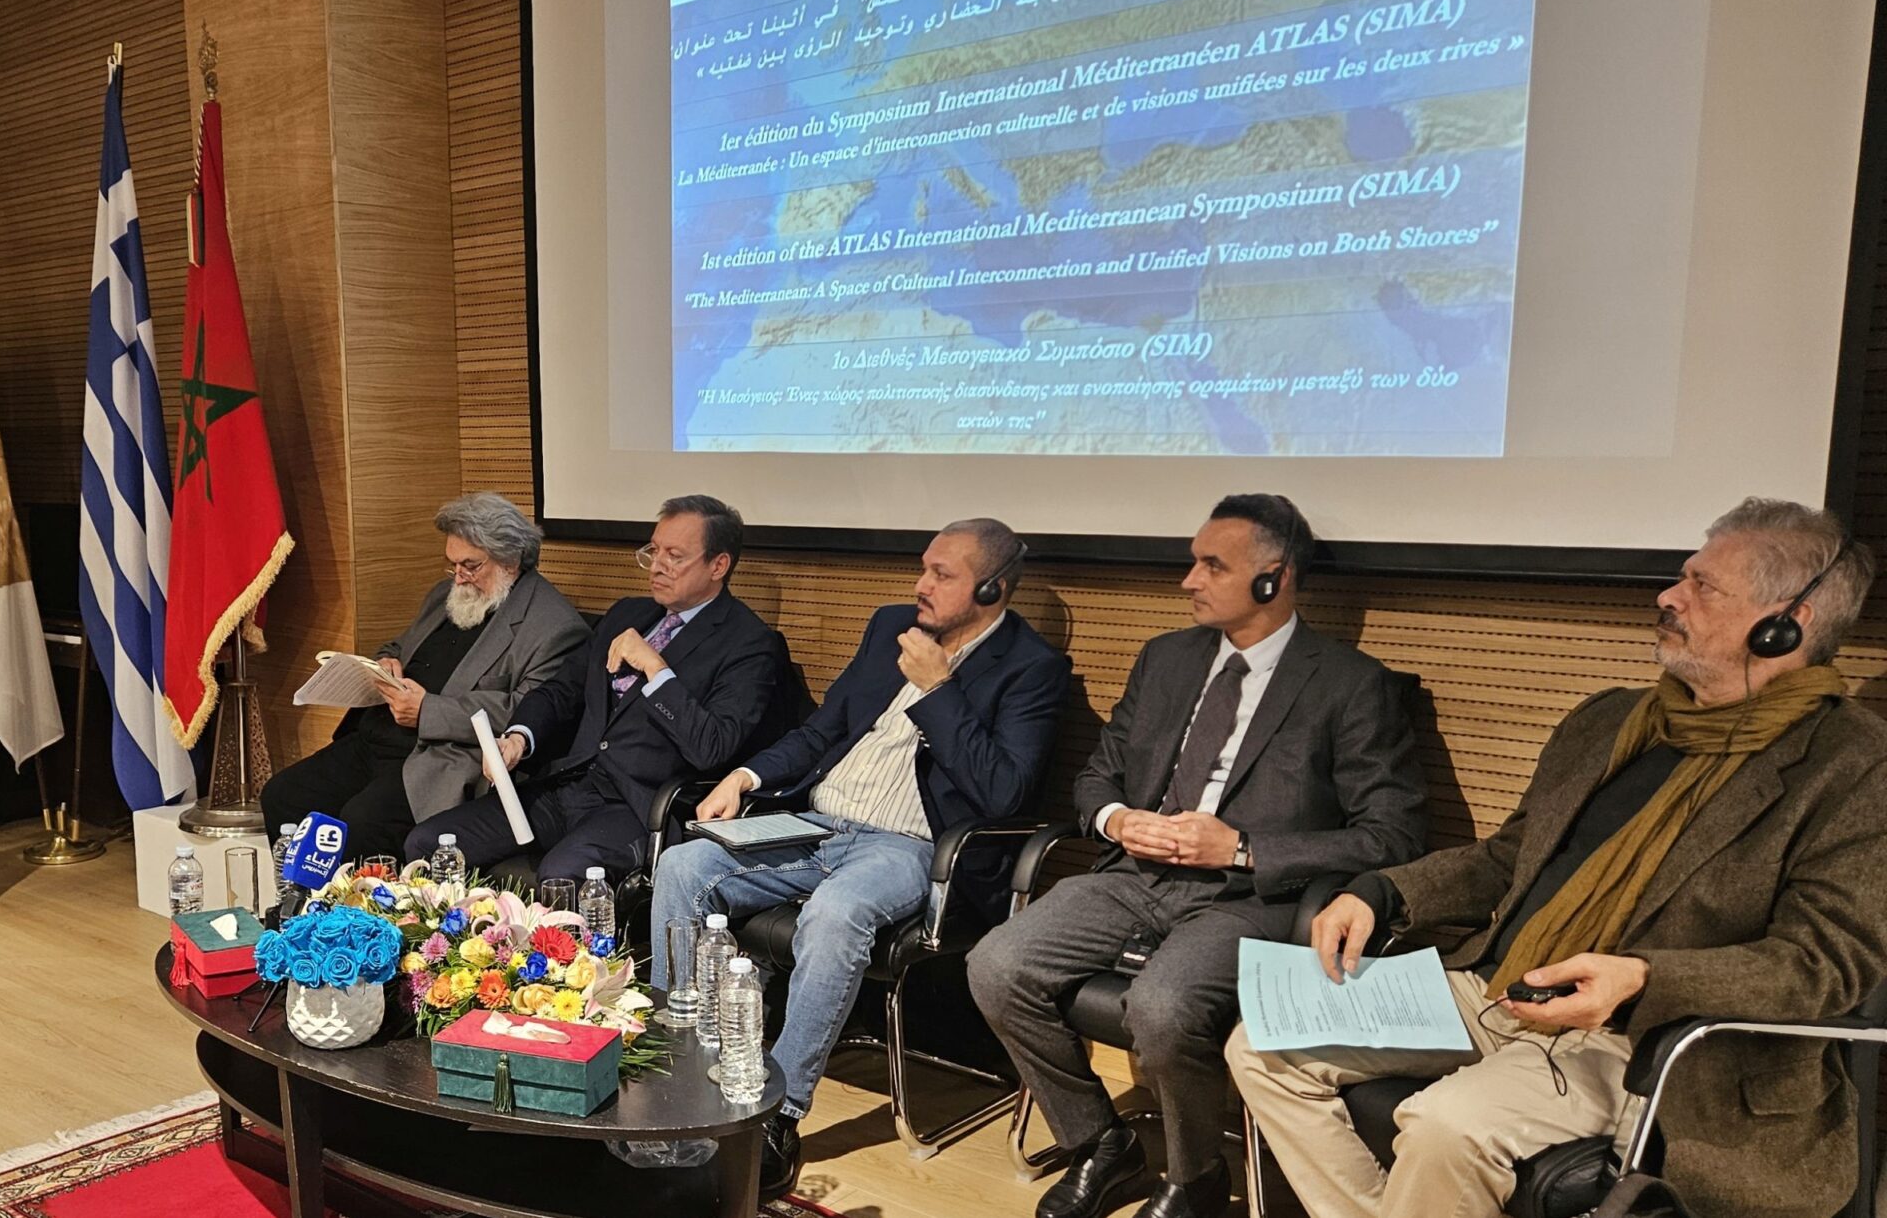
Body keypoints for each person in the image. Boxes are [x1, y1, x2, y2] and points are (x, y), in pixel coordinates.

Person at [1231, 498, 1887, 1218]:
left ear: (1787, 622)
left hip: (1645, 1040)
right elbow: (1511, 857)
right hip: (1502, 986)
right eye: (1682, 576)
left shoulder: (1852, 763)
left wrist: (1642, 978)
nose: (1669, 597)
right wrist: (1380, 891)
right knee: (1260, 1047)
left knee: (1445, 1126)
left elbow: (1824, 963)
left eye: (1703, 586)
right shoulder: (1611, 719)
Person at [968, 494, 1425, 1218]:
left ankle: (1195, 1177)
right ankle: (1100, 1146)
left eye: (1213, 565)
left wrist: (1242, 848)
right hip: (1135, 874)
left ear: (1274, 578)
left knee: (1163, 1007)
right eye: (1193, 562)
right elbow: (1098, 777)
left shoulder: (1350, 684)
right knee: (995, 965)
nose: (1189, 580)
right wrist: (1120, 820)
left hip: (1248, 896)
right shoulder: (1167, 658)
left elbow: (1392, 834)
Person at [650, 518, 1070, 1200]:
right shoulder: (890, 627)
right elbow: (824, 729)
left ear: (992, 589)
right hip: (817, 823)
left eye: (942, 575)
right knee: (682, 866)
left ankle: (777, 1114)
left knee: (837, 911)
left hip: (912, 846)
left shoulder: (1031, 669)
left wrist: (939, 691)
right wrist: (746, 777)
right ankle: (678, 1070)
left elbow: (1003, 794)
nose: (921, 584)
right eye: (923, 567)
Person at [403, 494, 794, 880]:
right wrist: (519, 737)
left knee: (562, 876)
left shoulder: (750, 644)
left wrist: (656, 670)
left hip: (638, 805)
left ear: (718, 565)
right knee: (429, 843)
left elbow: (713, 746)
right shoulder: (628, 613)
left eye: (674, 556)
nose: (657, 566)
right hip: (569, 783)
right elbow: (562, 690)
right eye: (654, 551)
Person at [260, 492, 588, 861]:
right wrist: (387, 662)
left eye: (470, 566)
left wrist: (427, 711)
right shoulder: (446, 594)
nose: (459, 577)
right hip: (379, 735)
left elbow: (528, 710)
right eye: (453, 565)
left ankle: (358, 901)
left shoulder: (553, 627)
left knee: (361, 822)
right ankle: (303, 897)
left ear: (511, 560)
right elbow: (399, 645)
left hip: (441, 757)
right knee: (283, 796)